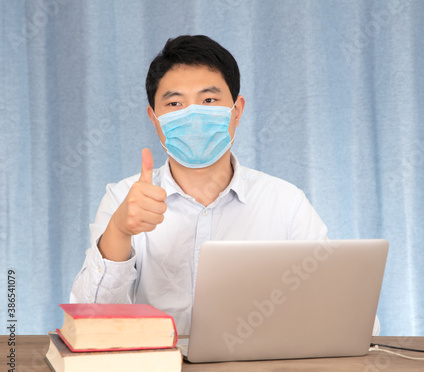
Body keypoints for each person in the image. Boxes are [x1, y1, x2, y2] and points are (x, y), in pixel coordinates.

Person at [71, 35, 376, 335]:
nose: (192, 115)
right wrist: (120, 231)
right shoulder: (123, 200)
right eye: (175, 103)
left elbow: (347, 314)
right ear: (154, 117)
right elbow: (92, 321)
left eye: (209, 100)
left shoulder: (285, 203)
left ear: (237, 110)